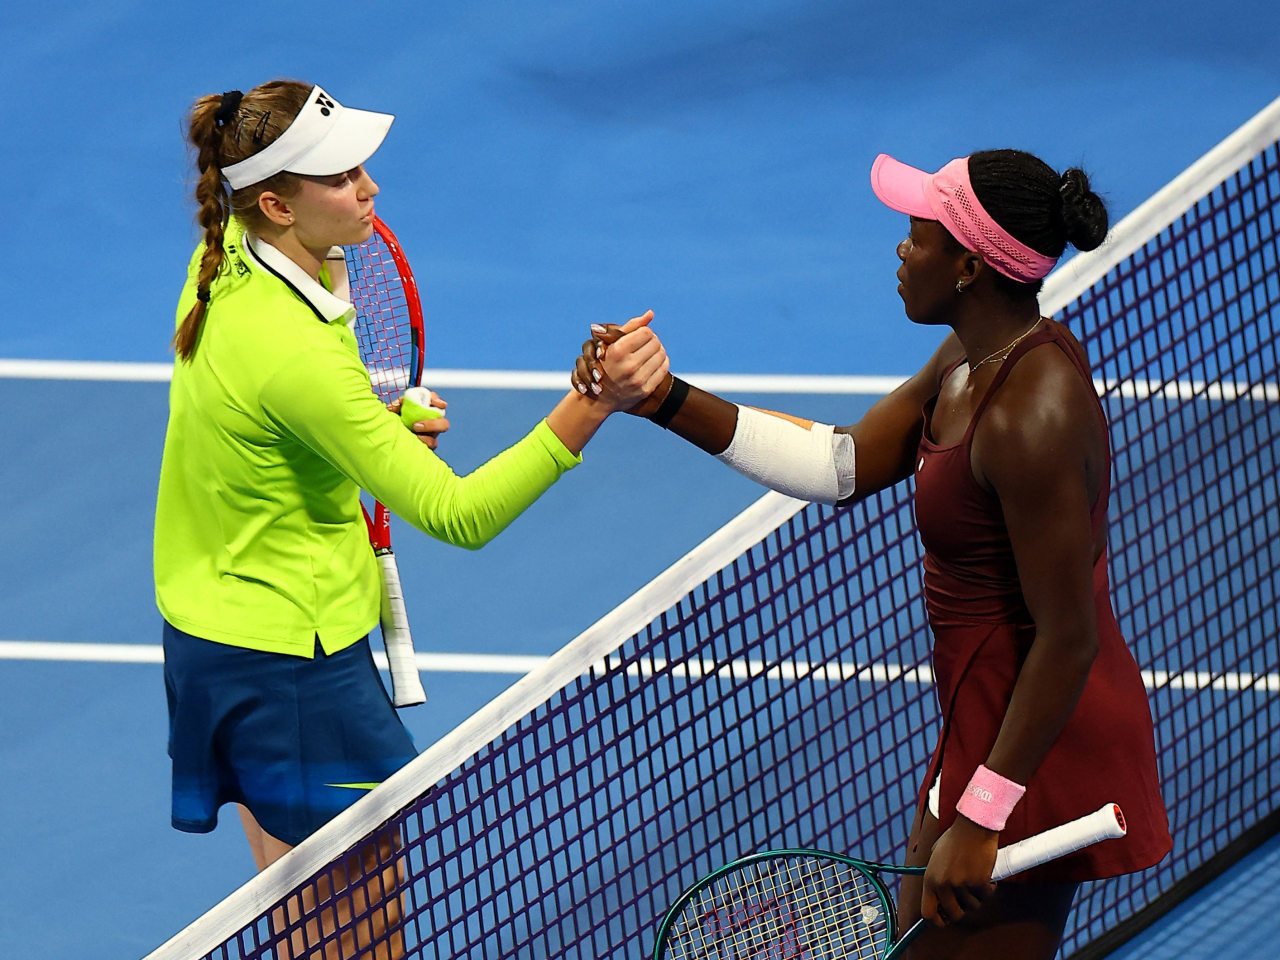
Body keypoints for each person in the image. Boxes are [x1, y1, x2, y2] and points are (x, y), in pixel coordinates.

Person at [574, 150, 1172, 959]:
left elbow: (1068, 639)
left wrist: (984, 813)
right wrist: (660, 398)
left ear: (968, 267)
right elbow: (841, 463)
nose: (901, 249)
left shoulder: (1032, 415)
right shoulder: (966, 360)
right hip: (985, 725)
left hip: (1040, 746)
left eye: (917, 237)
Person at [155, 79, 667, 957]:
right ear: (277, 203)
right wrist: (596, 400)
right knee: (358, 933)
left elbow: (270, 428)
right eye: (340, 177)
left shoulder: (229, 257)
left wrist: (377, 427)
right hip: (292, 668)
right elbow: (459, 513)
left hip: (220, 634)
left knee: (300, 909)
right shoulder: (294, 352)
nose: (370, 189)